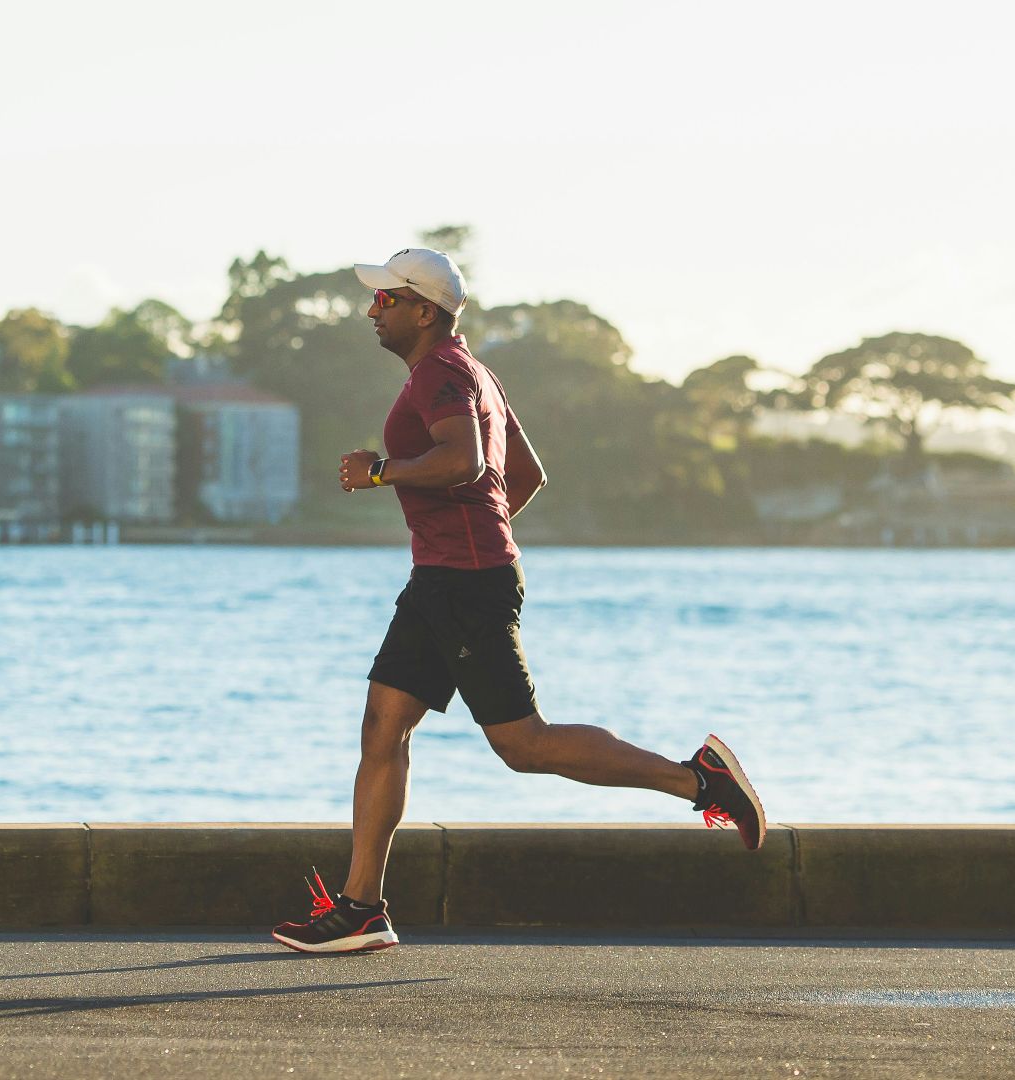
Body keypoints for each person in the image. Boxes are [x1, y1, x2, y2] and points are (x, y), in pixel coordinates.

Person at [271, 248, 765, 954]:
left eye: (386, 299)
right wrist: (477, 532)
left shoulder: (443, 373)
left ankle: (699, 780)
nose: (372, 309)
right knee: (383, 727)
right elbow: (525, 474)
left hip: (462, 584)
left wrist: (384, 473)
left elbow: (468, 462)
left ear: (424, 309)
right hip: (446, 578)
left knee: (523, 745)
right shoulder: (475, 373)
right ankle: (362, 907)